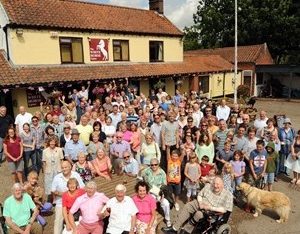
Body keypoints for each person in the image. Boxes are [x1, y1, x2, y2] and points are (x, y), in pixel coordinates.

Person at [162, 177, 233, 234]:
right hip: (201, 203)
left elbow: (225, 210)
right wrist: (200, 202)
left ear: (222, 185)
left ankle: (186, 230)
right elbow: (200, 195)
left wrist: (210, 207)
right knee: (188, 206)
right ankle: (174, 228)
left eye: (218, 184)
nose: (215, 186)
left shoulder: (228, 195)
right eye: (214, 183)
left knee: (198, 214)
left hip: (212, 210)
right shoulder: (209, 186)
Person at [51, 161, 85, 234]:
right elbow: (53, 190)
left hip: (76, 202)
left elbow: (82, 188)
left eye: (65, 167)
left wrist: (73, 194)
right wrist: (64, 195)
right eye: (62, 168)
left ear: (70, 167)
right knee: (58, 221)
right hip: (61, 202)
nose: (64, 169)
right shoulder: (57, 177)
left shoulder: (76, 175)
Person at [142, 158, 171, 227]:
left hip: (159, 192)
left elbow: (164, 185)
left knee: (166, 204)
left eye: (155, 164)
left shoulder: (162, 173)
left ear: (158, 164)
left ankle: (167, 219)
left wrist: (162, 194)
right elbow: (141, 177)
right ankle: (149, 218)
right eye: (152, 165)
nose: (154, 166)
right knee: (148, 202)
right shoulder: (147, 171)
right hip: (150, 192)